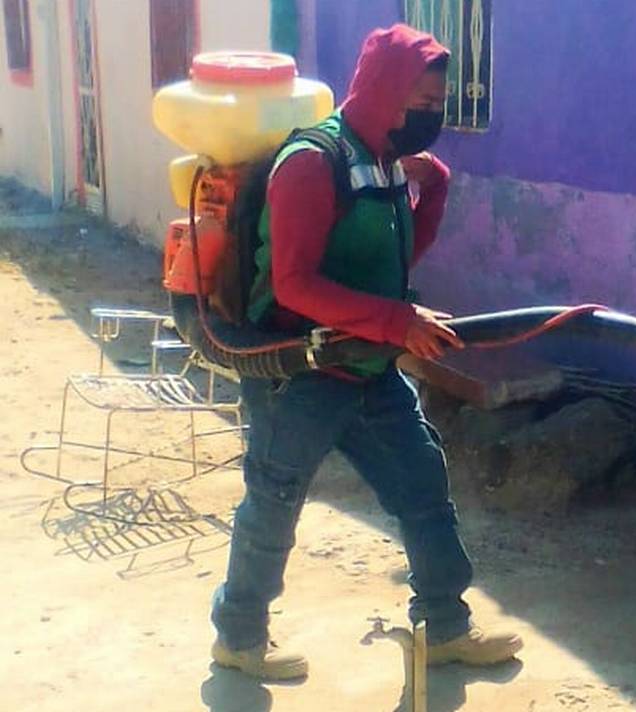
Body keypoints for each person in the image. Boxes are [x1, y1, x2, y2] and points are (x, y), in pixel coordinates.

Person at [209, 24, 523, 681]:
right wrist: (396, 319)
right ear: (385, 89)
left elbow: (389, 265)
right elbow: (295, 282)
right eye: (424, 101)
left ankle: (445, 628)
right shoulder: (311, 162)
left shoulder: (381, 159)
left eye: (441, 103)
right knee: (273, 502)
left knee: (423, 490)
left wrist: (431, 192)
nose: (433, 115)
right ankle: (238, 639)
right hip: (300, 372)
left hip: (370, 369)